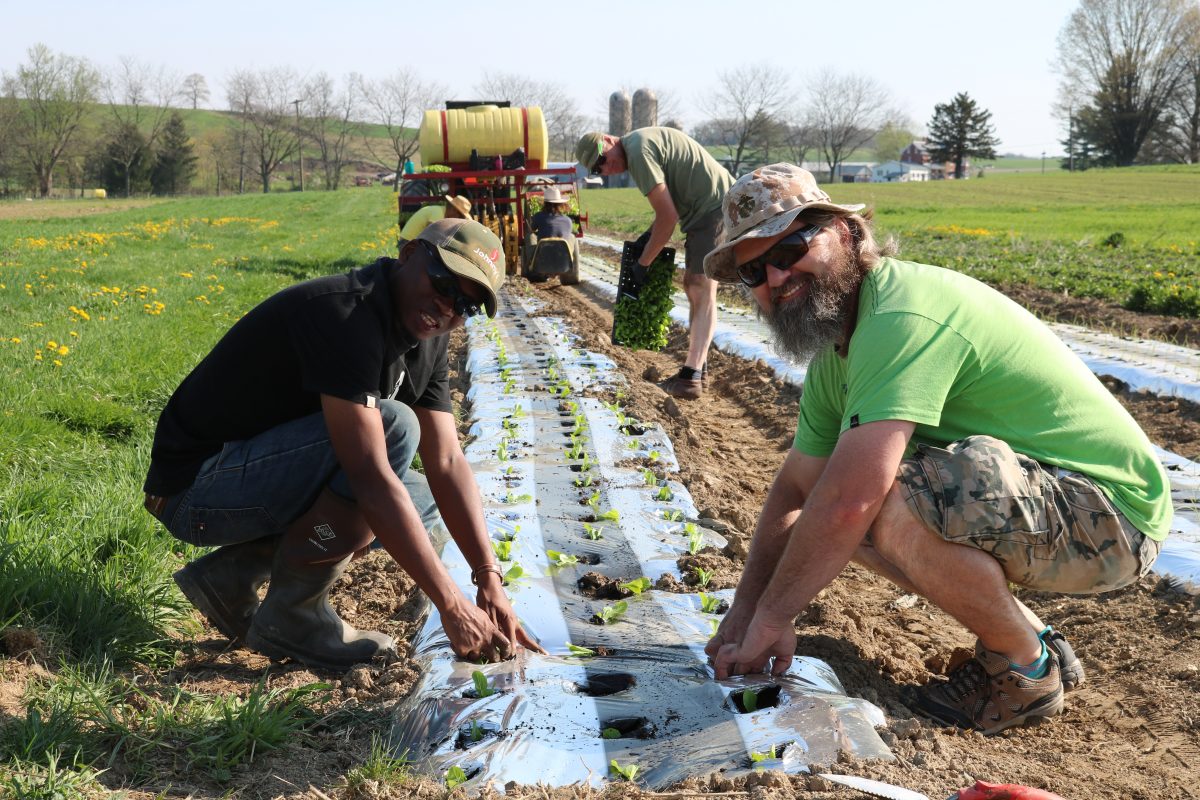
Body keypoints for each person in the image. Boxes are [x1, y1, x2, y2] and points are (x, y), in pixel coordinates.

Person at [702, 163, 1170, 735]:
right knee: (840, 519)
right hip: (1051, 502)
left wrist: (774, 618)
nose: (776, 277)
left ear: (846, 233)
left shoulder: (901, 313)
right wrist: (744, 614)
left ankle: (1025, 670)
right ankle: (1031, 637)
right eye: (754, 270)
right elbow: (798, 489)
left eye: (791, 247)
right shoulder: (837, 354)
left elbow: (851, 498)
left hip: (1111, 514)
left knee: (881, 500)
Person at [144, 218, 542, 671]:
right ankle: (294, 615)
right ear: (409, 254)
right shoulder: (348, 314)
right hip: (197, 492)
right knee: (394, 430)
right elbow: (369, 478)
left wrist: (489, 579)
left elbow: (448, 461)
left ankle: (233, 575)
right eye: (443, 282)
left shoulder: (427, 339)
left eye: (465, 306)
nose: (447, 306)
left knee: (421, 497)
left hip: (249, 480)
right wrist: (451, 604)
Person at [576, 128, 733, 399]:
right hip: (705, 210)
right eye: (598, 169)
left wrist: (643, 264)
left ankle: (691, 377)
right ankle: (699, 370)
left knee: (700, 287)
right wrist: (648, 238)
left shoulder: (638, 153)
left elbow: (667, 217)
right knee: (692, 285)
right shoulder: (640, 145)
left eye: (602, 158)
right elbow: (667, 209)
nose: (606, 167)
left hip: (714, 207)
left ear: (609, 140)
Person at [399, 195, 471, 243]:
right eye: (460, 216)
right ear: (454, 210)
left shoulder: (441, 212)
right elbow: (432, 237)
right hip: (407, 243)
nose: (458, 219)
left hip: (414, 242)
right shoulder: (438, 214)